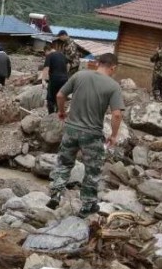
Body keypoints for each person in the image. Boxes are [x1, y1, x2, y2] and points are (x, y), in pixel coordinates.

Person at [47, 53, 125, 218]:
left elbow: (60, 95)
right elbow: (117, 114)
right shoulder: (113, 86)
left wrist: (61, 112)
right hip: (92, 133)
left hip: (71, 129)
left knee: (64, 163)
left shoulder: (79, 75)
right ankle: (87, 205)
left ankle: (55, 195)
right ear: (113, 67)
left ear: (98, 63)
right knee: (92, 169)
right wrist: (114, 135)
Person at [39, 42, 69, 114]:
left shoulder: (49, 55)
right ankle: (58, 112)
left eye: (45, 53)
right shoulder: (62, 55)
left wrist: (43, 80)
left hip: (55, 78)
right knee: (60, 95)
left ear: (47, 50)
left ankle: (51, 115)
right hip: (64, 79)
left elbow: (46, 68)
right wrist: (65, 73)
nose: (45, 55)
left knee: (50, 98)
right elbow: (68, 65)